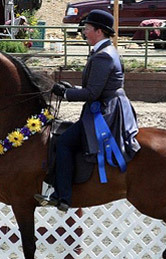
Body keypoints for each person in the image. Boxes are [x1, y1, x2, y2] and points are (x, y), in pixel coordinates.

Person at [35, 9, 140, 211]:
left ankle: (63, 196)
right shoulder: (104, 52)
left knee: (65, 142)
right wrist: (70, 88)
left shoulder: (103, 57)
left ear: (99, 32)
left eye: (87, 28)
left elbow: (92, 93)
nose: (84, 32)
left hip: (106, 110)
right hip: (103, 104)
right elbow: (94, 88)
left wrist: (65, 94)